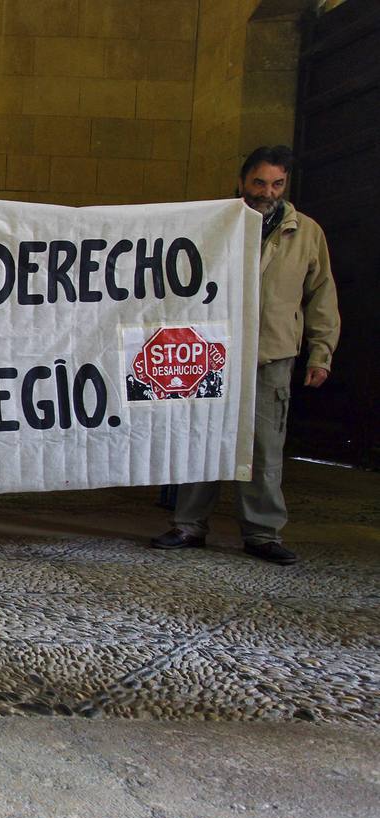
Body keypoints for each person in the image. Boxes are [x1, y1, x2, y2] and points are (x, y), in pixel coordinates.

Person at [152, 145, 341, 565]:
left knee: (264, 447)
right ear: (242, 181)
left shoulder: (305, 232)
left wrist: (320, 353)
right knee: (200, 439)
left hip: (270, 356)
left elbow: (321, 294)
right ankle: (188, 524)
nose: (266, 192)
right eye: (259, 182)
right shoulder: (213, 224)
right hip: (210, 355)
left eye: (276, 183)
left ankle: (262, 533)